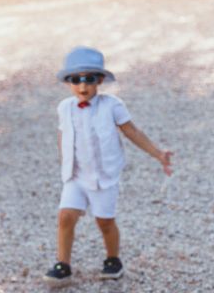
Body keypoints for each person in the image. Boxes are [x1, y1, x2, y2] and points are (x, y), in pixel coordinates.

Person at [43, 46, 173, 286]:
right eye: (76, 80)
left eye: (89, 79)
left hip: (104, 177)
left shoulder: (112, 105)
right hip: (75, 175)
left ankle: (113, 259)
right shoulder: (65, 107)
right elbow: (63, 135)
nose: (83, 86)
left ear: (100, 80)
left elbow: (132, 132)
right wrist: (64, 164)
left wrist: (158, 154)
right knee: (65, 216)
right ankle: (63, 264)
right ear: (68, 82)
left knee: (104, 221)